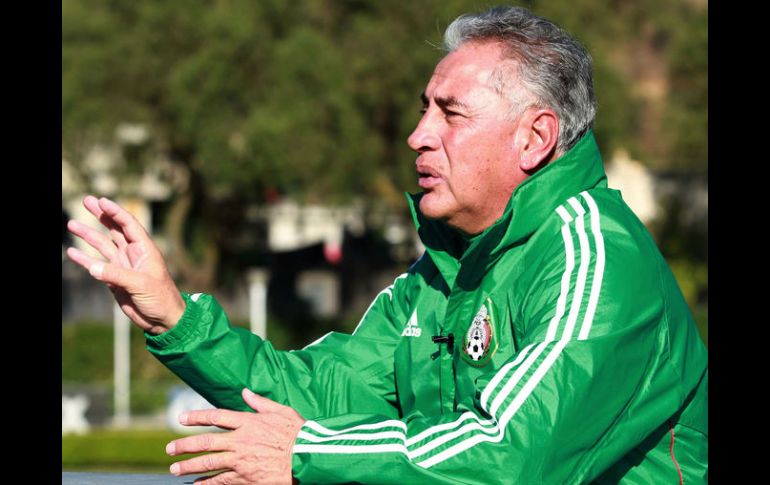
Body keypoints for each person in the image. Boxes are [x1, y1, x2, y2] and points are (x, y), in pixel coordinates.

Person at [66, 5, 707, 484]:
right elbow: (323, 396)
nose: (418, 135)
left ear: (534, 139)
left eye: (450, 113)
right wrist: (175, 319)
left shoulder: (597, 260)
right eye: (424, 108)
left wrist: (305, 455)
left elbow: (514, 456)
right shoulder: (443, 271)